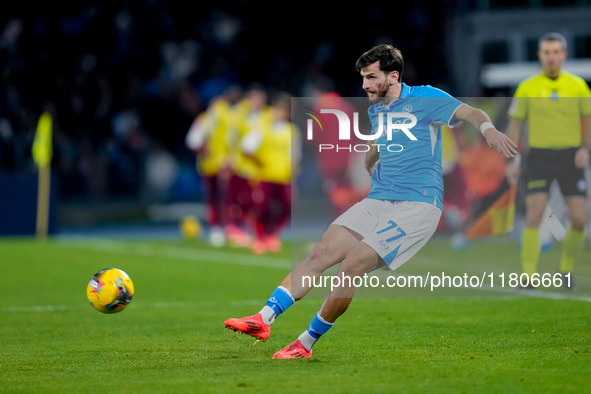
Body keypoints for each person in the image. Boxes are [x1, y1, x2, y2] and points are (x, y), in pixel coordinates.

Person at [224, 44, 516, 359]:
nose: (364, 85)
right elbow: (382, 137)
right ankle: (263, 319)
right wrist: (370, 157)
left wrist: (487, 130)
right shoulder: (377, 108)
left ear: (393, 76)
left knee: (351, 266)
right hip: (378, 199)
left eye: (370, 77)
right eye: (362, 77)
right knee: (321, 253)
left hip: (417, 206)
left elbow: (471, 112)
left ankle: (304, 343)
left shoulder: (425, 97)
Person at [505, 32, 591, 290]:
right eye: (546, 52)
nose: (551, 57)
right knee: (534, 214)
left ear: (564, 55)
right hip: (539, 157)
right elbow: (515, 125)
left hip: (570, 157)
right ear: (540, 55)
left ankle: (565, 271)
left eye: (556, 52)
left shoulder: (578, 86)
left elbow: (587, 119)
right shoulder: (527, 87)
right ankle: (528, 276)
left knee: (578, 219)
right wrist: (510, 160)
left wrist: (586, 148)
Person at [242, 92, 300, 254]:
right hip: (265, 175)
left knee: (286, 207)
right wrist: (258, 163)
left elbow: (294, 155)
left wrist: (293, 174)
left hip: (283, 176)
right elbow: (246, 148)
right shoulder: (263, 128)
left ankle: (271, 234)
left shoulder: (291, 131)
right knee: (263, 208)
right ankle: (260, 237)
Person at [224, 85, 270, 247]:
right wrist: (228, 161)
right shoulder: (240, 117)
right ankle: (237, 229)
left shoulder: (267, 116)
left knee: (257, 201)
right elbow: (232, 141)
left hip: (261, 168)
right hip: (242, 167)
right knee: (239, 200)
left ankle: (256, 231)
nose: (258, 102)